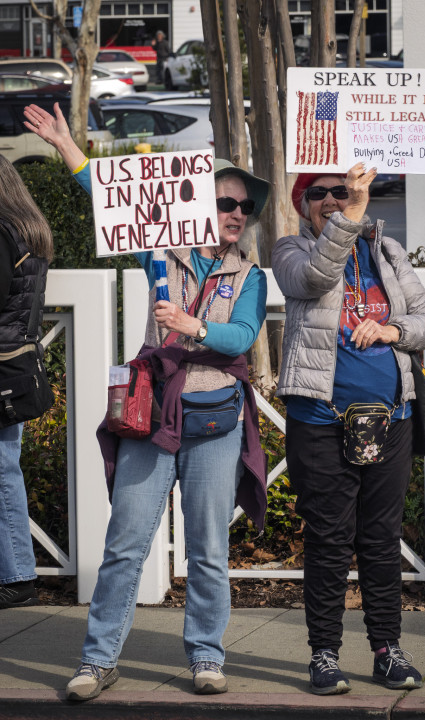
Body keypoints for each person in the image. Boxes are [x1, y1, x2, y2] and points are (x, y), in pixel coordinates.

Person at [23, 102, 271, 700]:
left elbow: (242, 336)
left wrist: (192, 325)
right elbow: (113, 200)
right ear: (198, 204)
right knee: (125, 544)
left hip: (215, 425)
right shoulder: (160, 252)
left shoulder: (252, 276)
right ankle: (98, 660)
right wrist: (67, 147)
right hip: (153, 418)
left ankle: (207, 657)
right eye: (224, 201)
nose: (236, 214)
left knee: (208, 550)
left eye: (244, 206)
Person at [271, 165, 425, 695]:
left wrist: (392, 329)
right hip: (321, 422)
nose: (330, 199)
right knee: (328, 540)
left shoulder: (388, 251)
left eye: (339, 190)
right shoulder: (290, 250)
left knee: (380, 540)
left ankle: (387, 650)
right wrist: (353, 213)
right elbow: (316, 279)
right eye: (317, 193)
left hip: (391, 419)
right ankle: (324, 654)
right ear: (303, 206)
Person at [0, 155, 54, 610]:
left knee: (2, 474)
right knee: (5, 470)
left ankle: (17, 576)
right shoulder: (28, 230)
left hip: (2, 366)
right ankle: (16, 573)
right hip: (15, 366)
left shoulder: (2, 233)